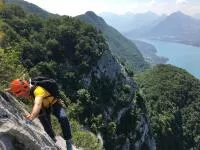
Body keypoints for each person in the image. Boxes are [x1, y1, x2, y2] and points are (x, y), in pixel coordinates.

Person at [8, 78, 73, 150]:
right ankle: (52, 140)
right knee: (45, 123)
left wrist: (31, 117)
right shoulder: (26, 88)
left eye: (20, 94)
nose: (21, 96)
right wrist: (8, 90)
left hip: (54, 103)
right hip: (43, 107)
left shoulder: (38, 90)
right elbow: (15, 90)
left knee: (63, 118)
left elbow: (37, 104)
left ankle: (68, 142)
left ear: (24, 89)